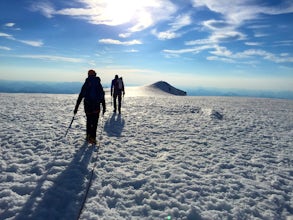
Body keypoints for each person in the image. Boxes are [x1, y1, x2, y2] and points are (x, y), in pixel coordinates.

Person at [74, 69, 106, 144]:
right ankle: (93, 138)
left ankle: (88, 135)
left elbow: (81, 95)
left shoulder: (87, 83)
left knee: (89, 120)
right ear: (95, 74)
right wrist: (104, 107)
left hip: (88, 106)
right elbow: (102, 96)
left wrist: (76, 107)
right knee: (95, 122)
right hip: (96, 106)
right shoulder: (98, 83)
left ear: (88, 75)